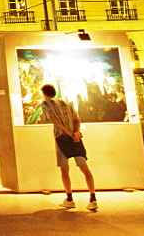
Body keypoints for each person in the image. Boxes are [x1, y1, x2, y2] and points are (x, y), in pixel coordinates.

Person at [39, 83, 98, 211]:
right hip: (75, 138)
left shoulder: (46, 104)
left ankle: (69, 199)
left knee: (64, 169)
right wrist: (75, 132)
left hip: (61, 138)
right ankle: (93, 199)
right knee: (84, 168)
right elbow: (77, 119)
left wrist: (68, 132)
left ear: (44, 94)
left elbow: (54, 120)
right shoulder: (67, 103)